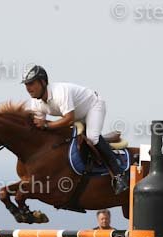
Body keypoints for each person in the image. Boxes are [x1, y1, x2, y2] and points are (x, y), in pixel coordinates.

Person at [21, 65, 128, 194]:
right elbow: (39, 128)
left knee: (93, 137)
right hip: (76, 114)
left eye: (31, 83)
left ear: (43, 82)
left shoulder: (59, 92)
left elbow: (69, 119)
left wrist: (47, 125)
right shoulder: (35, 103)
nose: (28, 88)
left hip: (93, 106)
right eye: (26, 84)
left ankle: (119, 175)